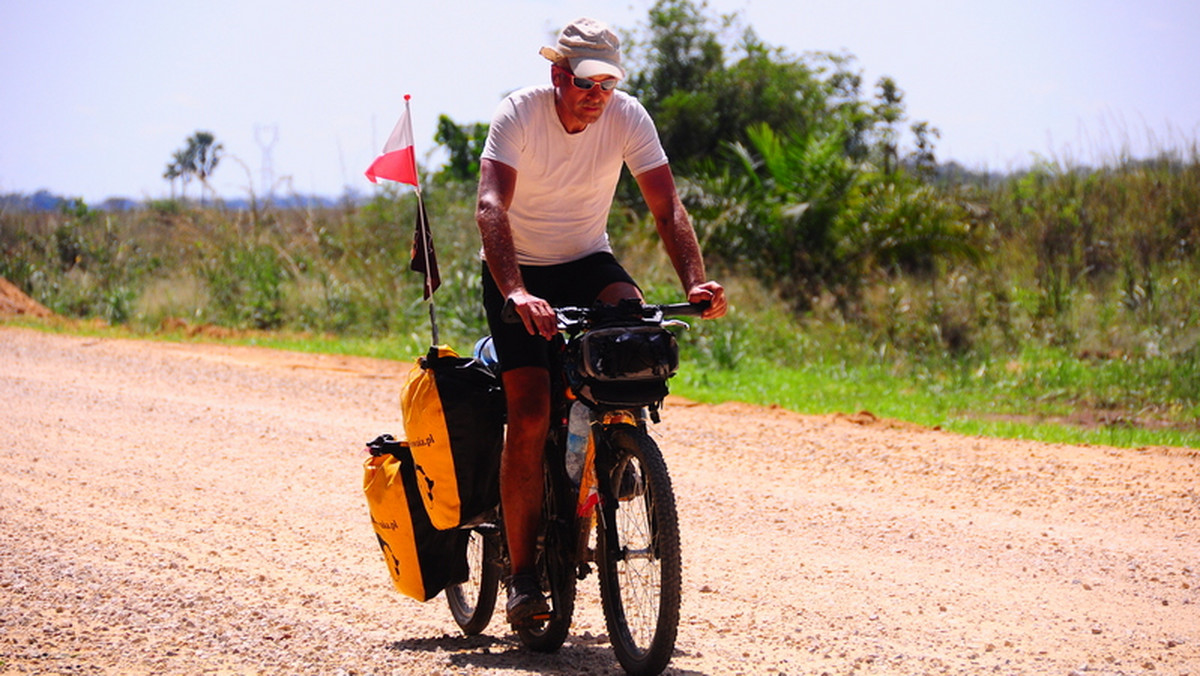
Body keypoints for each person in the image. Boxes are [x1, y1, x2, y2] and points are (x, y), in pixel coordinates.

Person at [475, 17, 727, 629]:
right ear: (559, 75)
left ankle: (616, 450)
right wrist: (516, 292)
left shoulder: (628, 117)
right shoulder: (520, 114)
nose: (597, 94)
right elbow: (489, 206)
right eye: (587, 81)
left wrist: (694, 280)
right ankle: (525, 576)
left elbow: (667, 207)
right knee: (531, 412)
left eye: (608, 83)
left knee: (633, 334)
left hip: (587, 261)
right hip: (520, 272)